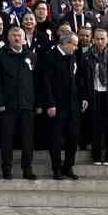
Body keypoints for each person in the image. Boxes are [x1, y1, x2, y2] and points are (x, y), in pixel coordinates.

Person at [40, 31, 84, 180]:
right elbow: (45, 83)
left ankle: (68, 167)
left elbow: (77, 79)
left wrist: (82, 98)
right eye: (75, 44)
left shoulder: (73, 57)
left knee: (73, 137)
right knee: (56, 138)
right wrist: (50, 104)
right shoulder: (49, 57)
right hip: (57, 105)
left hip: (73, 105)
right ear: (65, 43)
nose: (76, 48)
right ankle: (57, 168)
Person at [82, 25, 108, 166]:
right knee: (95, 126)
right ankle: (96, 156)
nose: (100, 41)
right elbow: (83, 80)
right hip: (94, 94)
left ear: (107, 40)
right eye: (97, 39)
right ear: (93, 40)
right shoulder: (86, 57)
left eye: (102, 39)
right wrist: (85, 96)